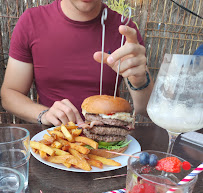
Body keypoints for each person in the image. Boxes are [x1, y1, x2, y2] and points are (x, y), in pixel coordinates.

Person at [1, 0, 153, 126]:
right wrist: (44, 114)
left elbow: (146, 110)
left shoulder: (125, 31)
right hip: (54, 141)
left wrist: (140, 80)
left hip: (106, 145)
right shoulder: (32, 21)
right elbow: (10, 93)